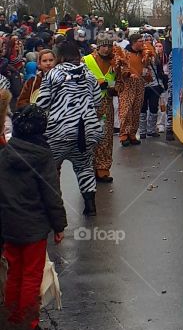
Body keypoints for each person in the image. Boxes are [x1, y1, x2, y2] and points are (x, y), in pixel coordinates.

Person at [0, 107, 65, 330]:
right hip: (34, 226)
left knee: (14, 273)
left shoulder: (6, 153)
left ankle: (11, 318)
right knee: (31, 276)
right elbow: (51, 194)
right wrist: (59, 225)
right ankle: (29, 323)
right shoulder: (43, 156)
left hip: (9, 225)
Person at [35, 36, 103, 216]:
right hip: (87, 130)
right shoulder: (88, 74)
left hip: (60, 130)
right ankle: (90, 206)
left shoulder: (53, 74)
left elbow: (42, 103)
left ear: (60, 57)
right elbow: (97, 101)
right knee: (85, 166)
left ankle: (51, 210)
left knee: (49, 168)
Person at [83, 32, 121, 182]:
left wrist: (115, 88)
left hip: (107, 102)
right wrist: (96, 84)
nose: (107, 49)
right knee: (90, 136)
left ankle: (103, 168)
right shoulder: (86, 60)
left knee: (105, 136)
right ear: (98, 47)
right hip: (89, 104)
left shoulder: (116, 61)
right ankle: (88, 168)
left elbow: (120, 81)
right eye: (104, 46)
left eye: (109, 46)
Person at [116, 32, 151, 147]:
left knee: (136, 109)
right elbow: (119, 68)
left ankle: (132, 134)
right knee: (126, 110)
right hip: (127, 85)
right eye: (141, 41)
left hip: (140, 84)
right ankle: (124, 135)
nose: (143, 43)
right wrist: (128, 74)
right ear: (134, 43)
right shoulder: (124, 53)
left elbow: (147, 67)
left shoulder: (142, 54)